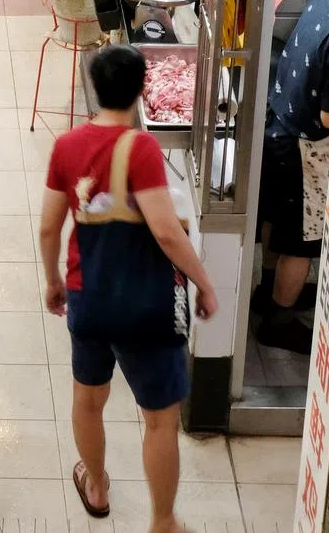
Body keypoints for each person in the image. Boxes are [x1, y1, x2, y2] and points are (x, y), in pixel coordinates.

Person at [40, 44, 218, 528]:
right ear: (141, 89)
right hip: (144, 304)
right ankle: (162, 519)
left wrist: (54, 281)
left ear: (95, 89)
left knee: (88, 399)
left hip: (89, 298)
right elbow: (165, 230)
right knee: (159, 417)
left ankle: (95, 484)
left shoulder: (66, 147)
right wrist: (204, 282)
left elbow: (48, 228)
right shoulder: (140, 148)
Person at [256, 0, 329, 352]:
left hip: (280, 125)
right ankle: (278, 322)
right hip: (307, 148)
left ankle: (268, 289)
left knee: (279, 225)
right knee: (302, 245)